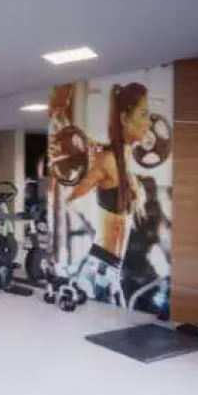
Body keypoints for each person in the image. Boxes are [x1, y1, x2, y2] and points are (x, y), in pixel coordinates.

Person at [52, 82, 152, 305]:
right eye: (143, 114)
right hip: (101, 265)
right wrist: (79, 163)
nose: (148, 122)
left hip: (113, 266)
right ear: (125, 119)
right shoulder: (106, 161)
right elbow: (70, 197)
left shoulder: (124, 157)